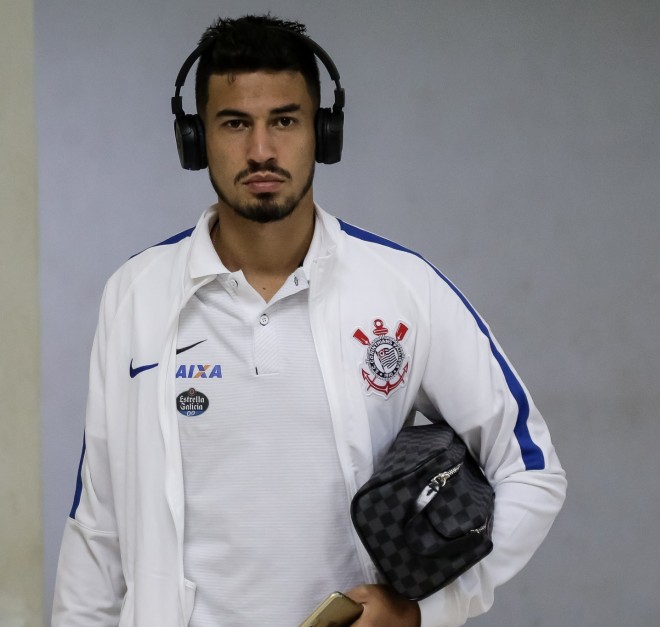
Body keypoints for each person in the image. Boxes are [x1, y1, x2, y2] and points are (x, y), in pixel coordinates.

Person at [52, 14, 566, 627]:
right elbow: (99, 528)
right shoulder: (135, 296)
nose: (261, 150)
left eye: (286, 121)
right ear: (195, 140)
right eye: (235, 123)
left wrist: (427, 608)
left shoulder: (402, 289)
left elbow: (530, 468)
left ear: (324, 132)